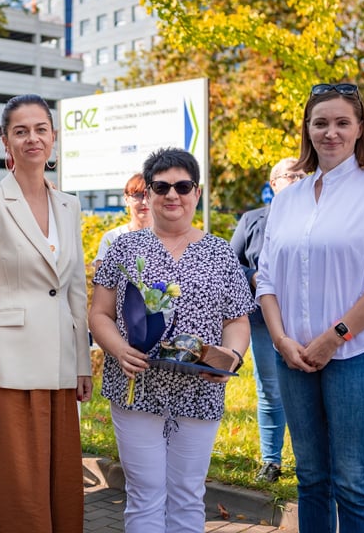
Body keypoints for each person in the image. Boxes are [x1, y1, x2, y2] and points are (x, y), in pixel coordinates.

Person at [256, 83, 364, 532]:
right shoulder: (288, 199)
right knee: (310, 478)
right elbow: (265, 279)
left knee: (351, 482)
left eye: (342, 122)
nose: (331, 132)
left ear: (360, 128)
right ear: (307, 130)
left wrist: (332, 338)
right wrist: (283, 340)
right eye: (320, 122)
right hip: (292, 356)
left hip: (356, 357)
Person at [88, 147, 255, 533]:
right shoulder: (124, 248)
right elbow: (99, 313)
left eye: (182, 186)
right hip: (136, 385)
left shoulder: (219, 252)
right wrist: (117, 349)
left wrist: (230, 355)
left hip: (199, 390)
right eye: (161, 186)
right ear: (147, 194)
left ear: (197, 193)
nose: (172, 195)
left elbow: (237, 321)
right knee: (145, 494)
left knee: (187, 493)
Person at [0, 94, 93, 533]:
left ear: (53, 137)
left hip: (58, 371)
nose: (32, 138)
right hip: (6, 371)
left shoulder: (69, 205)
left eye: (40, 129)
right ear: (6, 142)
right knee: (17, 497)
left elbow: (74, 289)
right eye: (21, 130)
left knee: (62, 491)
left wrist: (81, 362)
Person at [229, 157, 306, 483]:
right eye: (289, 174)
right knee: (271, 391)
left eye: (301, 173)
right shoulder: (252, 220)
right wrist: (252, 276)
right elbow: (229, 265)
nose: (296, 178)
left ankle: (309, 463)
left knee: (307, 391)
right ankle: (271, 461)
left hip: (308, 320)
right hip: (262, 320)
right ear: (273, 185)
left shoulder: (315, 217)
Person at [93, 173, 153, 269]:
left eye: (150, 194)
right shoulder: (112, 237)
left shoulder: (172, 237)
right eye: (138, 195)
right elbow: (101, 281)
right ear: (126, 199)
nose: (144, 202)